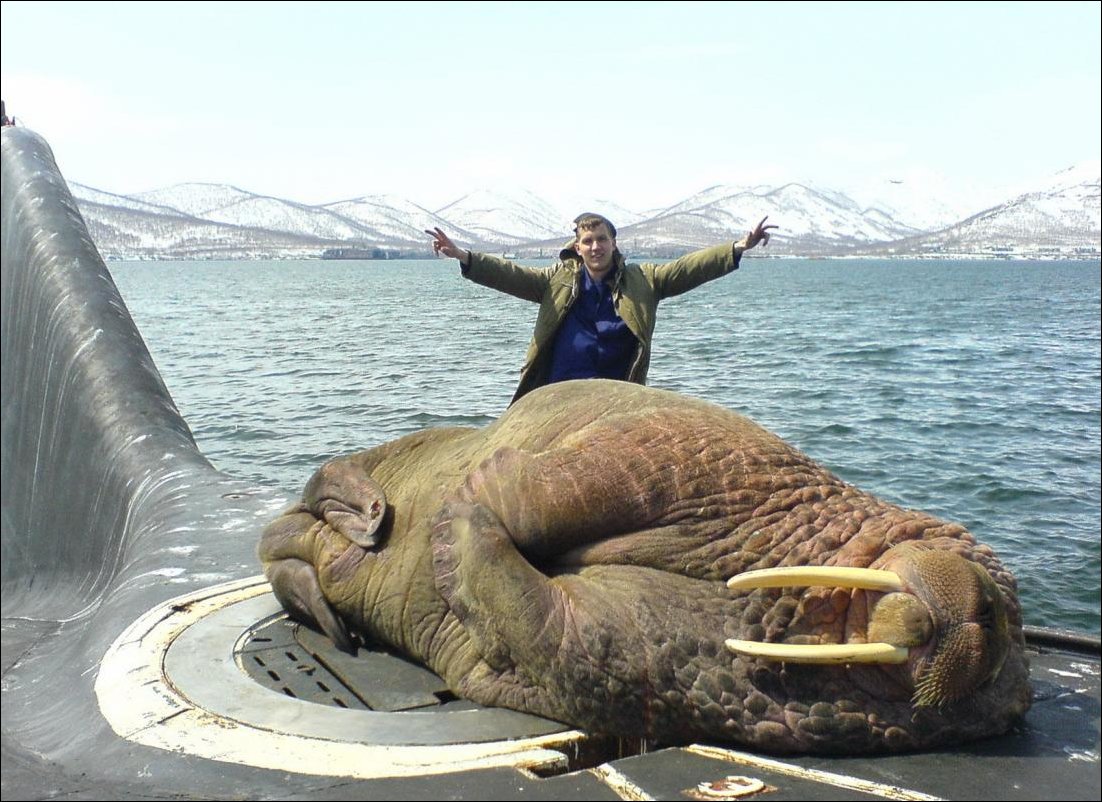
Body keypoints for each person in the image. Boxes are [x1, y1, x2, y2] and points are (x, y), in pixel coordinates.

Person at [426, 213, 776, 404]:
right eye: (588, 241)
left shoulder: (645, 280)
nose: (596, 247)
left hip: (617, 397)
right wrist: (464, 257)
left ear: (613, 243)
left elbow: (688, 268)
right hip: (557, 394)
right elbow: (509, 273)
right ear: (577, 247)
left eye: (602, 240)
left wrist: (738, 247)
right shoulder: (555, 281)